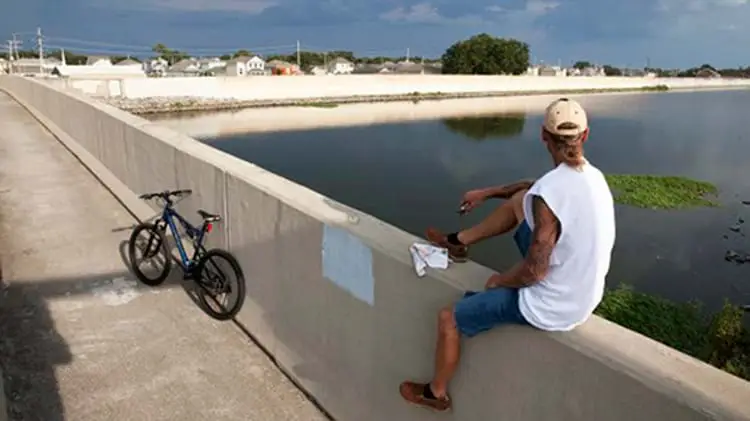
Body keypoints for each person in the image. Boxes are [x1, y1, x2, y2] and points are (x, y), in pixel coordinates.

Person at [399, 98, 616, 412]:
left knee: (449, 318)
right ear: (585, 136)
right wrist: (485, 193)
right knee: (519, 201)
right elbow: (532, 188)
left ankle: (436, 394)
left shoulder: (552, 191)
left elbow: (534, 272)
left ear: (543, 136)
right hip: (585, 293)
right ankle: (458, 241)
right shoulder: (591, 176)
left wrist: (501, 280)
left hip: (553, 307)